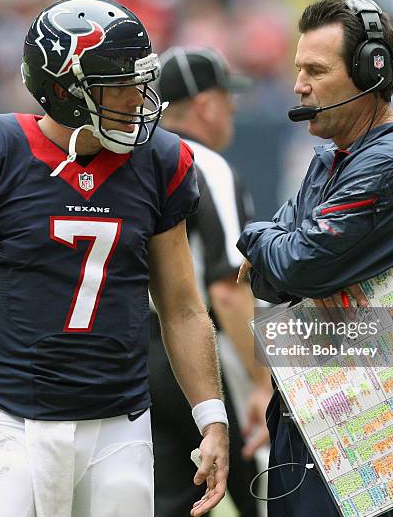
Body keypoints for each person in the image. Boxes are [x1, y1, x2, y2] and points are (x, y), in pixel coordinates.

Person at [0, 0, 229, 517]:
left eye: (139, 78)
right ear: (65, 91)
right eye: (117, 84)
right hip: (8, 421)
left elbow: (183, 307)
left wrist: (212, 417)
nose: (137, 97)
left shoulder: (162, 161)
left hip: (119, 428)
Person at [237, 0, 393, 517]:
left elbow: (296, 263)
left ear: (368, 72)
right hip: (309, 402)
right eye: (297, 68)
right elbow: (273, 277)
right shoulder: (334, 157)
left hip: (363, 418)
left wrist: (256, 237)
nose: (298, 85)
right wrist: (276, 251)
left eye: (315, 70)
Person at [148, 47, 271, 517]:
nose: (233, 107)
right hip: (207, 352)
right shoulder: (204, 164)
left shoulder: (139, 163)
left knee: (173, 500)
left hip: (145, 351)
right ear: (205, 104)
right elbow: (227, 287)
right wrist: (262, 381)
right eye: (226, 96)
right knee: (267, 492)